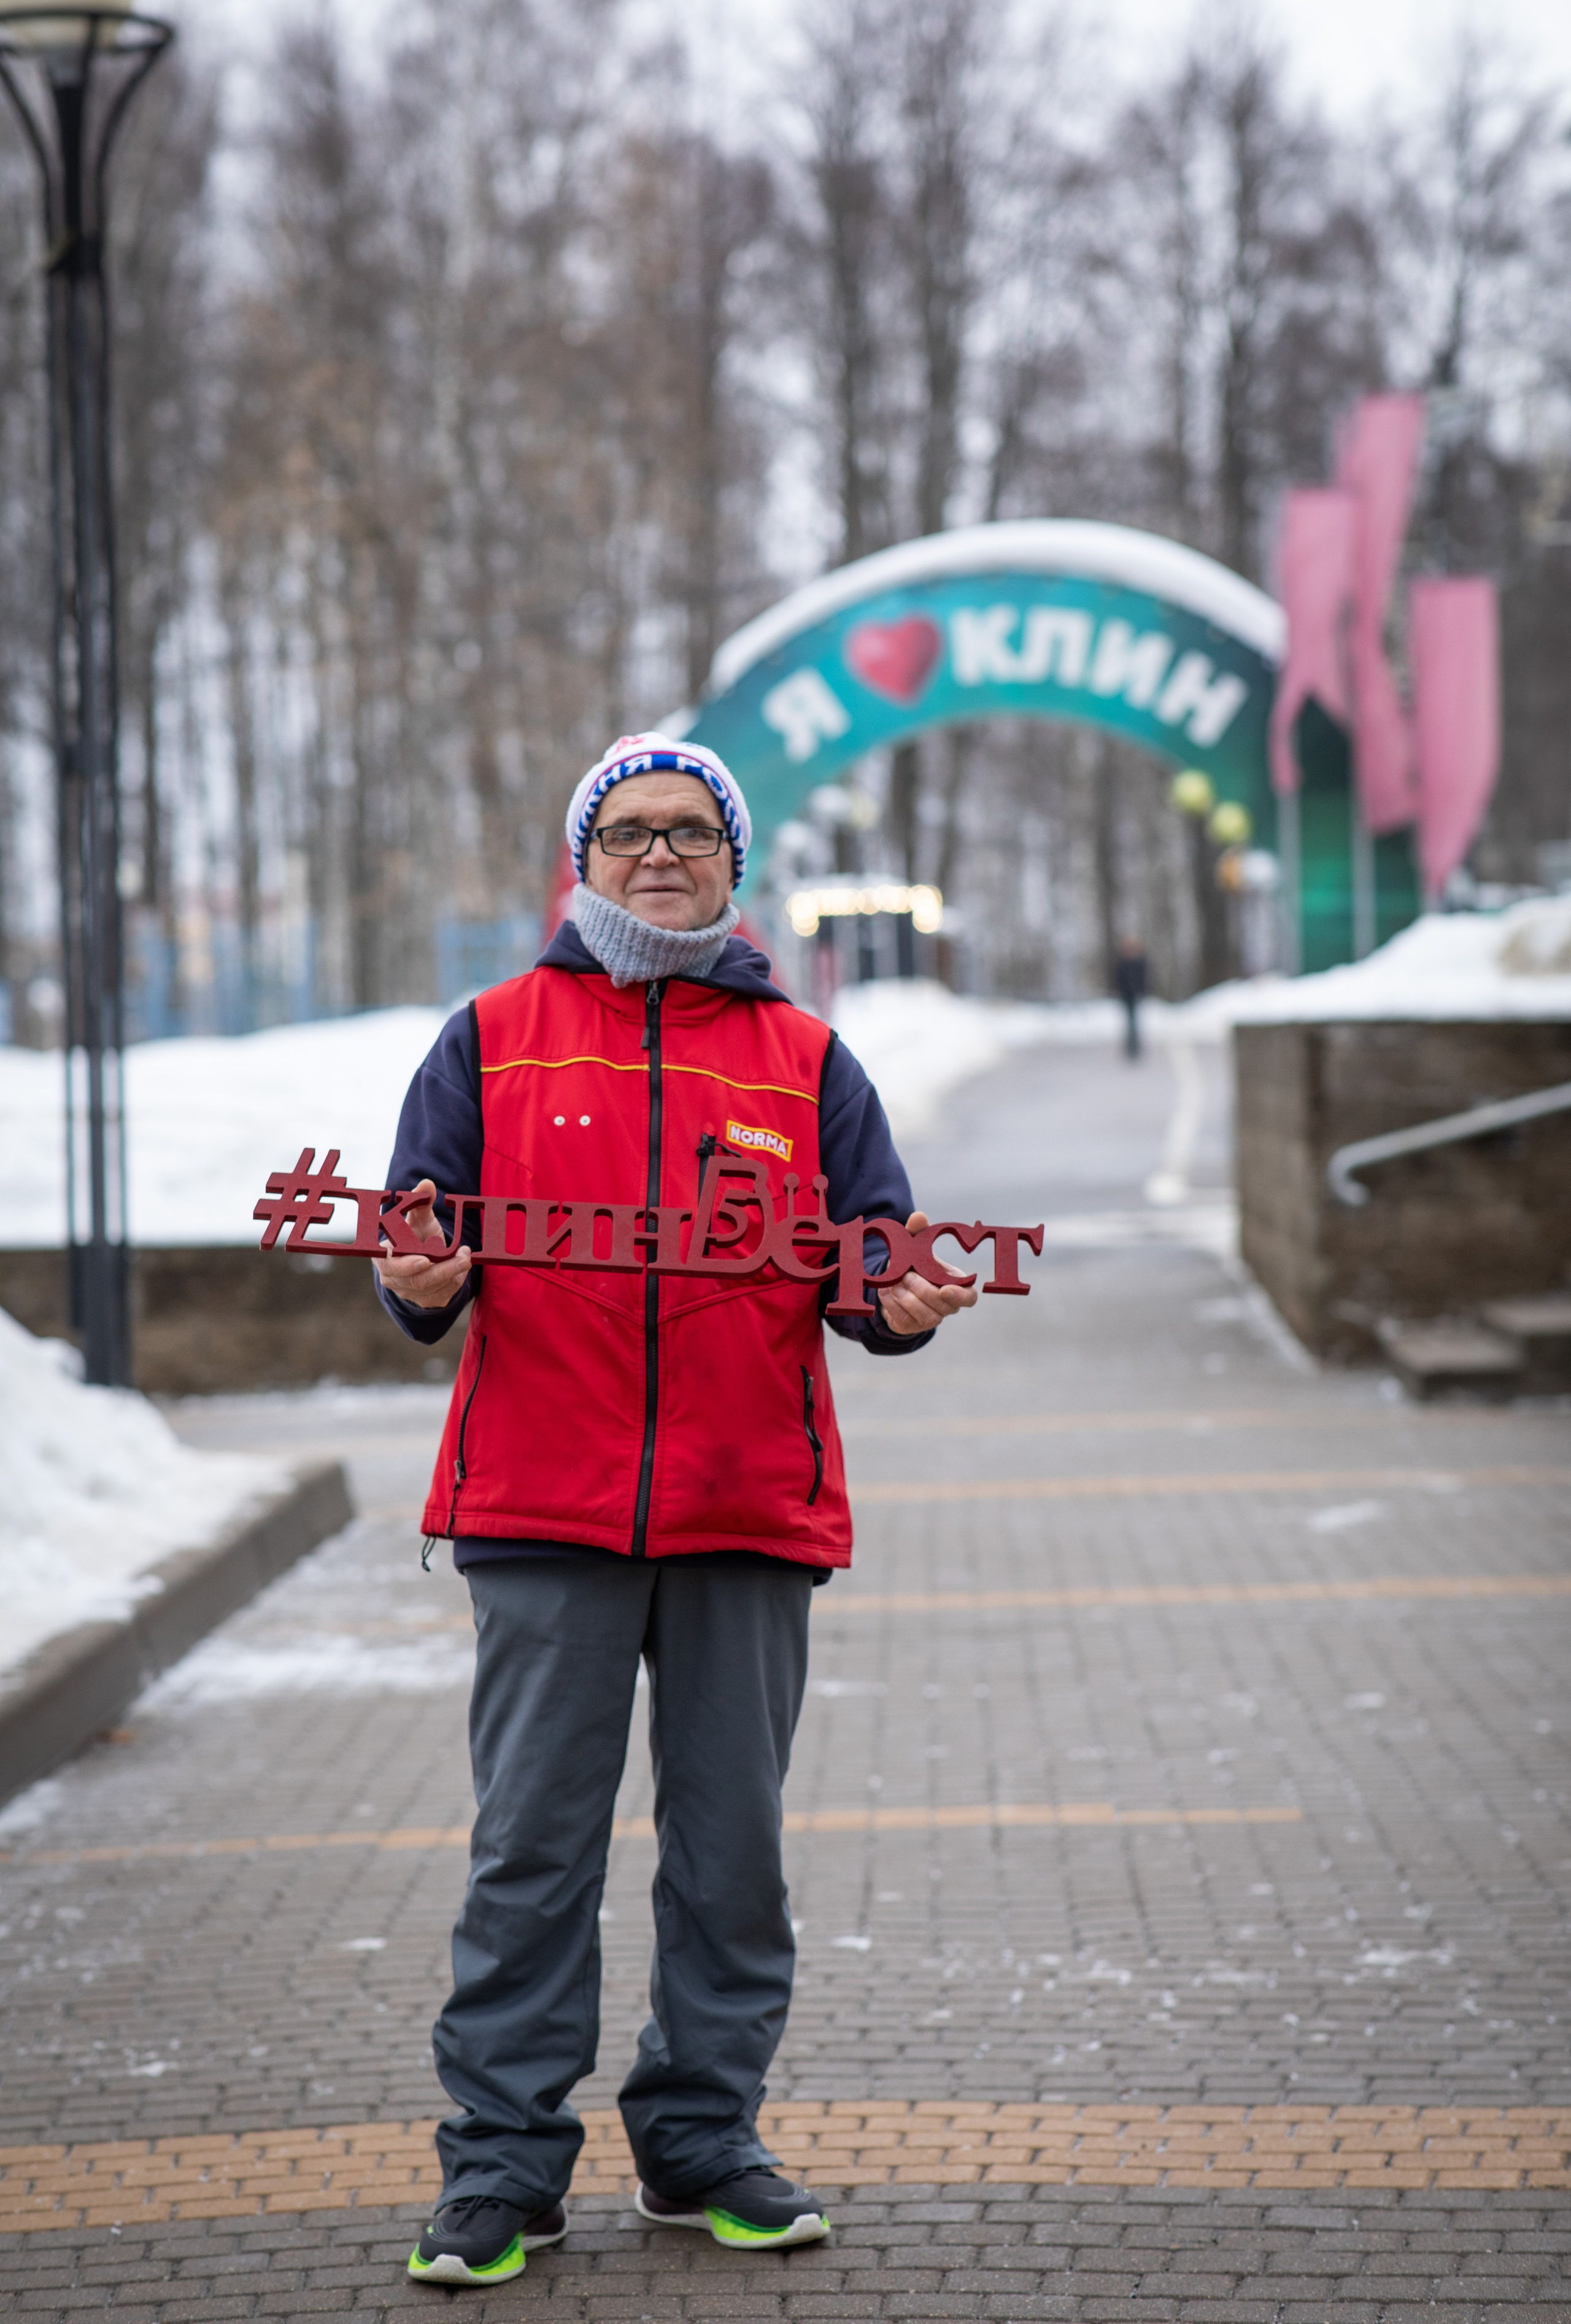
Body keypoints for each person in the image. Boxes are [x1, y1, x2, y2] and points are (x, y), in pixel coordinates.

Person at [376, 733, 978, 2290]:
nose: (659, 852)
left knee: (731, 1860)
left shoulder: (805, 1059)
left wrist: (899, 1306)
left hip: (740, 1511)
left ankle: (702, 2138)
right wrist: (413, 1282)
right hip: (543, 1512)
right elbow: (415, 1243)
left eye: (690, 830)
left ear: (732, 859)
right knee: (530, 1853)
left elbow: (870, 1263)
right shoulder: (489, 1040)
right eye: (629, 829)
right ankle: (501, 2166)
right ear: (582, 858)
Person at [1113, 932, 1149, 1060]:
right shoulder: (1123, 962)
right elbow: (1120, 980)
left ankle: (1134, 1047)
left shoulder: (1139, 962)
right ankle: (1131, 1047)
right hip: (1127, 996)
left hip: (1136, 995)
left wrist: (1141, 992)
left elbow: (1143, 979)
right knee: (1130, 1022)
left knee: (1134, 1022)